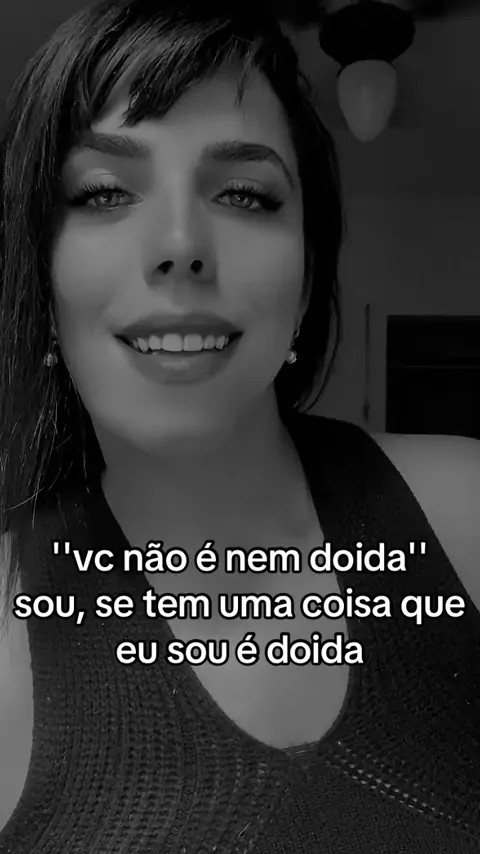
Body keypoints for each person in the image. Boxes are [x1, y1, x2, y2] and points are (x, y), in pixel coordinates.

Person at [0, 1, 479, 851]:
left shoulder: (466, 509)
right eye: (104, 192)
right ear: (41, 274)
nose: (181, 244)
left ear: (306, 282)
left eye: (245, 194)